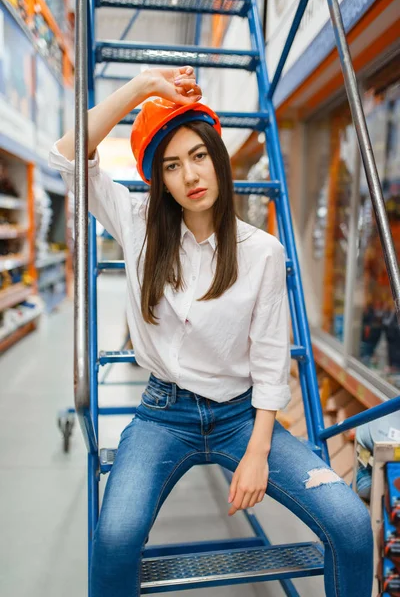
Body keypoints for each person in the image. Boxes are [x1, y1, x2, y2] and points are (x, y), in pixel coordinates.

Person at [49, 66, 373, 597]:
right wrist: (141, 90)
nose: (190, 175)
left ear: (218, 160)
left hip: (240, 416)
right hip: (162, 415)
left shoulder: (262, 250)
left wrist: (258, 453)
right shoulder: (134, 223)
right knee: (115, 539)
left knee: (352, 526)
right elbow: (65, 157)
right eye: (172, 166)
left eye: (199, 156)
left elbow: (270, 362)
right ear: (160, 180)